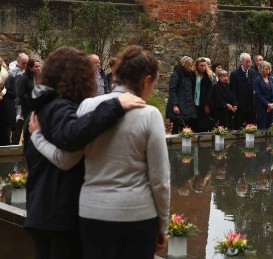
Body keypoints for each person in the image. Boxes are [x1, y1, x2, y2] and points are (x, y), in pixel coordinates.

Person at [29, 45, 170, 259]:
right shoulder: (149, 114)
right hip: (137, 213)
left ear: (116, 74)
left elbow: (67, 159)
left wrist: (37, 137)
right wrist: (163, 225)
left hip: (92, 211)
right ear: (146, 80)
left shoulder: (87, 106)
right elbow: (160, 180)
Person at [11, 59, 41, 144]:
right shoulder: (24, 78)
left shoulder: (39, 77)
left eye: (39, 66)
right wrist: (32, 99)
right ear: (31, 68)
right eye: (36, 66)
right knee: (23, 127)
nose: (38, 68)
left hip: (36, 107)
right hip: (26, 107)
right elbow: (20, 94)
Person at [166, 56, 197, 133]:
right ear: (185, 65)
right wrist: (175, 105)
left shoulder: (189, 75)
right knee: (176, 126)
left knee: (186, 127)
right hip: (179, 104)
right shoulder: (176, 75)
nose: (191, 67)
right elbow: (172, 90)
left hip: (187, 104)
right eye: (190, 65)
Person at [229, 53, 257, 129]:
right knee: (239, 127)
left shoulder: (252, 72)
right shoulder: (234, 74)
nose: (248, 64)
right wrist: (235, 103)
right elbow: (233, 91)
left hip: (250, 104)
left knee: (250, 127)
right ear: (241, 62)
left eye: (249, 62)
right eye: (246, 62)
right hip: (240, 105)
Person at [253, 61, 273, 129]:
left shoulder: (271, 79)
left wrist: (272, 104)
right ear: (261, 69)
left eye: (269, 69)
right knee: (262, 125)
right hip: (262, 106)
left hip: (271, 106)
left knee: (270, 125)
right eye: (266, 69)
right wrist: (267, 104)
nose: (268, 71)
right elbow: (258, 94)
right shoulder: (257, 80)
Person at [192, 57, 213, 132]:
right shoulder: (193, 75)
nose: (203, 68)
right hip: (194, 101)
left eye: (204, 66)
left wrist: (206, 104)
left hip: (204, 102)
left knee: (204, 122)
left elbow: (209, 92)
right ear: (197, 66)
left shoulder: (208, 76)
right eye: (201, 65)